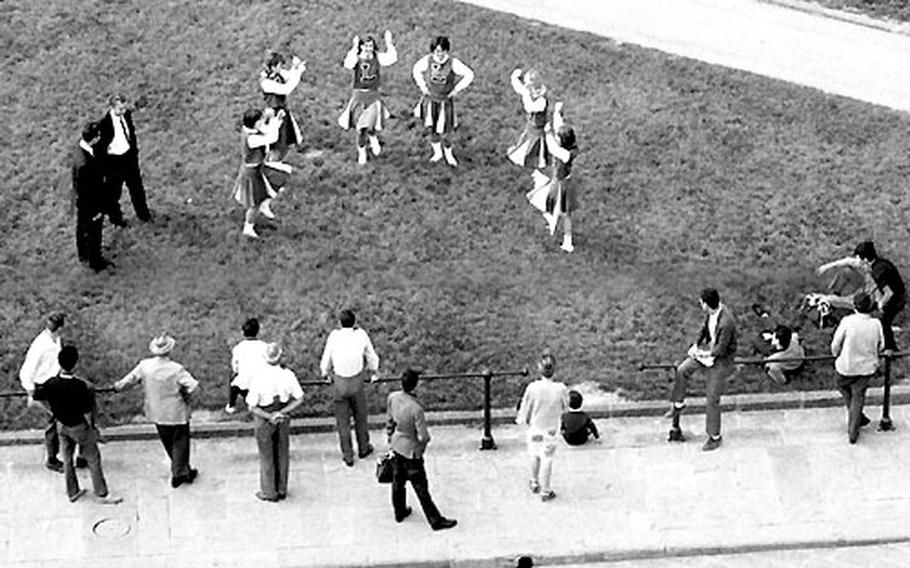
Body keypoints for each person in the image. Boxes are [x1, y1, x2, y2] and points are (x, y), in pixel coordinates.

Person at [33, 346, 122, 504]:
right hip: (79, 427)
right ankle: (102, 494)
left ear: (59, 363)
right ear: (75, 365)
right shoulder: (80, 386)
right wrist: (93, 430)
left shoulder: (51, 383)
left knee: (67, 460)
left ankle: (72, 492)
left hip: (61, 426)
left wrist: (51, 411)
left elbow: (36, 396)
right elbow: (87, 412)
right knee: (93, 458)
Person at [114, 334, 200, 488]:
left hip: (156, 411)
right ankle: (179, 473)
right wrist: (185, 394)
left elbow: (130, 379)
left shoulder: (145, 366)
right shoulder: (176, 369)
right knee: (180, 442)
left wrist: (119, 385)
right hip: (176, 412)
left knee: (167, 441)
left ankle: (181, 468)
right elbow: (193, 386)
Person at [665, 288, 737, 451]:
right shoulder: (713, 313)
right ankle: (678, 402)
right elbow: (705, 329)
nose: (700, 304)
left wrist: (704, 353)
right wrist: (697, 345)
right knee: (682, 370)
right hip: (708, 352)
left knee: (712, 399)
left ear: (706, 304)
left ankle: (714, 436)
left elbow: (721, 349)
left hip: (720, 360)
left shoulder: (726, 323)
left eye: (701, 302)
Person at [386, 369, 457, 531]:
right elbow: (423, 436)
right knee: (421, 488)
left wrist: (390, 438)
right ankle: (435, 520)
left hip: (397, 446)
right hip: (412, 452)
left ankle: (399, 512)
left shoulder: (393, 398)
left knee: (398, 483)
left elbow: (390, 421)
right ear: (415, 387)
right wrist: (422, 445)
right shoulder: (416, 409)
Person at [18, 313, 84, 472]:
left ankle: (67, 455)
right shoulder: (40, 346)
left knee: (59, 420)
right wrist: (31, 391)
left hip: (56, 383)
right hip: (44, 387)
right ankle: (52, 458)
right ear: (60, 328)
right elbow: (26, 371)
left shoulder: (56, 340)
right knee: (53, 422)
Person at [817, 241, 905, 349]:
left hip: (891, 299)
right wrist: (826, 267)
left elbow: (889, 293)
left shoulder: (878, 271)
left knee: (883, 321)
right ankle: (833, 297)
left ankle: (829, 301)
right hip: (872, 290)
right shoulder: (873, 262)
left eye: (859, 258)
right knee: (846, 271)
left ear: (865, 259)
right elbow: (848, 261)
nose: (857, 261)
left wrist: (880, 306)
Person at [320, 309, 379, 466]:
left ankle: (348, 455)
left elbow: (326, 358)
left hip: (340, 382)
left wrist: (325, 373)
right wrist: (374, 370)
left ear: (340, 323)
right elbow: (371, 356)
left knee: (343, 421)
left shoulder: (334, 336)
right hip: (357, 381)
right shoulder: (361, 335)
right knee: (361, 417)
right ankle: (364, 447)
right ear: (355, 322)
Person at [245, 343, 304, 502]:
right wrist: (282, 412)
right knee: (282, 451)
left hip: (264, 417)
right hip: (282, 415)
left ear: (265, 358)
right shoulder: (288, 375)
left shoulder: (258, 377)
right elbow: (299, 398)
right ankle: (282, 488)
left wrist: (269, 416)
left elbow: (252, 406)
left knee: (266, 455)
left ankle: (269, 491)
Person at [411, 35, 475, 166]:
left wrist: (457, 89)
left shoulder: (453, 63)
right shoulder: (427, 60)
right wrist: (422, 86)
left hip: (445, 102)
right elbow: (416, 70)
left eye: (441, 51)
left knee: (446, 131)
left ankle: (448, 153)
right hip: (430, 100)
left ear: (447, 50)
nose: (439, 54)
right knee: (433, 128)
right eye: (436, 51)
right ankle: (437, 153)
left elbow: (469, 74)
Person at [338, 31, 398, 165]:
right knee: (361, 128)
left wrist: (389, 42)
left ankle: (371, 140)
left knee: (366, 125)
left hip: (373, 97)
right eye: (365, 46)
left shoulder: (377, 57)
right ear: (361, 47)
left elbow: (392, 58)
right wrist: (353, 48)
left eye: (370, 46)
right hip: (359, 97)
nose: (368, 49)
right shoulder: (356, 59)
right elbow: (348, 64)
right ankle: (363, 150)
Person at [525, 101, 578, 252]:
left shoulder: (565, 154)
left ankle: (568, 241)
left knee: (564, 212)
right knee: (553, 203)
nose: (557, 137)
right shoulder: (570, 147)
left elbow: (553, 148)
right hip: (559, 180)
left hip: (563, 184)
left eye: (559, 137)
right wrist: (557, 112)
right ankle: (552, 221)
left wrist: (547, 134)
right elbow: (558, 127)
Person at [831, 292, 883, 444]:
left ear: (854, 306)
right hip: (866, 367)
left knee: (841, 385)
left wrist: (835, 355)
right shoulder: (876, 324)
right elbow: (882, 345)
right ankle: (856, 421)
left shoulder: (847, 321)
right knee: (858, 396)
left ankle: (855, 423)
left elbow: (836, 343)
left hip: (846, 366)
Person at [516, 352, 569, 501]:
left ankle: (534, 481)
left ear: (539, 369)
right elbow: (566, 406)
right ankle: (546, 490)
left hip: (535, 429)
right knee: (547, 458)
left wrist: (523, 419)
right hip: (551, 430)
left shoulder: (532, 388)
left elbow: (526, 406)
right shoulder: (560, 389)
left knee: (534, 455)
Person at [94, 93, 151, 225]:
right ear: (112, 108)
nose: (123, 111)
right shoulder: (105, 124)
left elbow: (130, 130)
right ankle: (117, 220)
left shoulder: (126, 115)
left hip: (129, 158)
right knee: (113, 194)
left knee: (137, 188)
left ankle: (144, 215)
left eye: (124, 108)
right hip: (114, 162)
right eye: (120, 109)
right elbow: (99, 147)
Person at [232, 108, 289, 238]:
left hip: (258, 168)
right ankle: (248, 227)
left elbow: (267, 130)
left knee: (278, 179)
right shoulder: (252, 139)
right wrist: (275, 122)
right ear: (254, 123)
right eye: (260, 120)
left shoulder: (251, 130)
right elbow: (272, 137)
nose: (262, 122)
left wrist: (277, 120)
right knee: (254, 203)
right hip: (252, 173)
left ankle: (264, 204)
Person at [71, 121, 112, 272]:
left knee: (82, 226)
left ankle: (83, 253)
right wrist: (98, 210)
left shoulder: (80, 148)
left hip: (81, 200)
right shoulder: (85, 165)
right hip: (91, 202)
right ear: (93, 139)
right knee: (94, 231)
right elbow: (89, 189)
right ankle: (96, 261)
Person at [260, 51, 306, 161]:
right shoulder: (266, 82)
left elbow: (288, 75)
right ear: (273, 67)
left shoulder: (277, 73)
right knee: (277, 146)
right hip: (274, 115)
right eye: (280, 65)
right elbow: (286, 89)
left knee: (283, 145)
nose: (281, 68)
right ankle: (271, 168)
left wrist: (295, 68)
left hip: (281, 112)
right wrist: (298, 73)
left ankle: (273, 167)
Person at [507, 68, 550, 170]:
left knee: (536, 145)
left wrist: (526, 96)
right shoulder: (530, 92)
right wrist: (515, 77)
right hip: (531, 126)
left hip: (538, 128)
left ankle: (536, 160)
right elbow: (520, 89)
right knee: (527, 139)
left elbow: (530, 108)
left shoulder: (541, 100)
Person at [225, 317, 268, 414]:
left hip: (244, 386)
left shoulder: (238, 348)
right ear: (258, 331)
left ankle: (231, 405)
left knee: (233, 379)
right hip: (263, 384)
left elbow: (235, 369)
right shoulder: (265, 347)